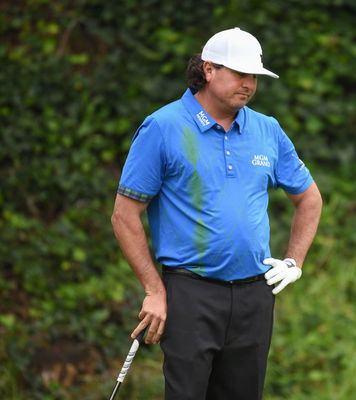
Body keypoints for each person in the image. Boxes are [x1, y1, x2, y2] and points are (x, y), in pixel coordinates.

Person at [111, 27, 322, 399]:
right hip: (190, 292)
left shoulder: (267, 130)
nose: (249, 84)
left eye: (253, 76)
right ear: (208, 70)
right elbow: (124, 216)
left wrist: (294, 262)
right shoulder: (163, 127)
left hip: (255, 295)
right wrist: (153, 290)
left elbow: (309, 199)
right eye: (240, 74)